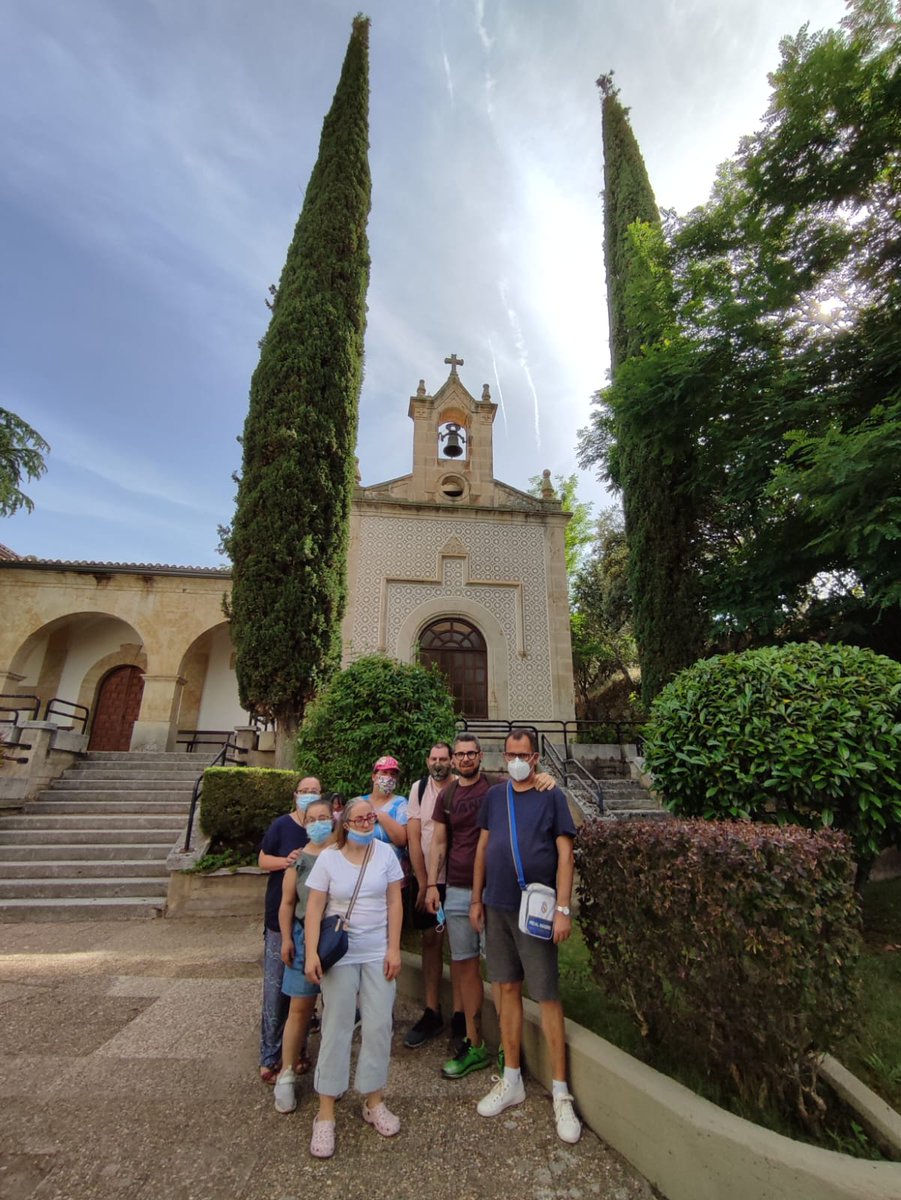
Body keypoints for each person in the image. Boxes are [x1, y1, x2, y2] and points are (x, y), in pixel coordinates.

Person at [470, 729, 582, 1144]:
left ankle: (560, 1091)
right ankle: (512, 1077)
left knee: (547, 995)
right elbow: (483, 847)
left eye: (523, 754)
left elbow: (565, 853)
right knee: (506, 988)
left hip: (535, 911)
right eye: (511, 753)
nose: (516, 759)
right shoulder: (495, 797)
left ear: (535, 758)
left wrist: (563, 909)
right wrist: (477, 899)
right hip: (496, 905)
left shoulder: (551, 795)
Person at [426, 735, 555, 1079]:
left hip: (496, 892)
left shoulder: (498, 789)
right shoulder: (447, 797)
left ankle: (506, 1048)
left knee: (501, 974)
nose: (466, 759)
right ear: (453, 760)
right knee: (465, 966)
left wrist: (545, 776)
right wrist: (431, 884)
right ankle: (475, 1042)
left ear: (482, 756)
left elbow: (530, 787)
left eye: (472, 753)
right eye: (461, 754)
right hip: (456, 888)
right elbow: (439, 842)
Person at [304, 796, 404, 1159]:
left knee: (379, 1026)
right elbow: (315, 906)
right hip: (341, 953)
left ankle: (373, 1099)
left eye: (370, 818)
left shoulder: (385, 854)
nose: (365, 823)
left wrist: (394, 948)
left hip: (377, 950)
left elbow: (395, 902)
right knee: (336, 1026)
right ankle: (326, 1113)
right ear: (344, 823)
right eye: (358, 819)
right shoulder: (329, 858)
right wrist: (312, 952)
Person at [273, 797, 337, 1114]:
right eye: (312, 819)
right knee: (300, 1008)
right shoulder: (298, 860)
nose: (318, 823)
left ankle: (329, 1073)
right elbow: (287, 902)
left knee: (335, 1011)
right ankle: (286, 1073)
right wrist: (286, 938)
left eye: (324, 817)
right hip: (301, 936)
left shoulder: (343, 853)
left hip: (336, 938)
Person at [256, 775, 321, 1084]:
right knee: (275, 990)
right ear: (295, 795)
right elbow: (262, 860)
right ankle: (270, 1055)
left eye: (314, 792)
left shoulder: (323, 830)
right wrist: (287, 861)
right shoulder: (282, 825)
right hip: (279, 917)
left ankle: (297, 1053)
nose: (308, 796)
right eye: (304, 791)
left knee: (302, 994)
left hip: (309, 921)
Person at [403, 741, 463, 1049]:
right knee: (430, 940)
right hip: (430, 881)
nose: (438, 763)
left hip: (459, 880)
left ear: (452, 761)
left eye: (443, 758)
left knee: (461, 946)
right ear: (427, 761)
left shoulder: (462, 787)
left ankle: (460, 1015)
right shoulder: (419, 788)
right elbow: (414, 839)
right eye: (433, 758)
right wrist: (424, 883)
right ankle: (432, 1010)